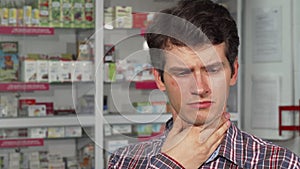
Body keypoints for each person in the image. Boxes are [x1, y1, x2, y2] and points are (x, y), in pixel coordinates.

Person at [107, 0, 300, 168]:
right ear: (160, 79)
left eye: (213, 70)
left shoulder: (278, 163)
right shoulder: (125, 162)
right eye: (182, 72)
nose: (200, 88)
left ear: (233, 72)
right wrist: (172, 163)